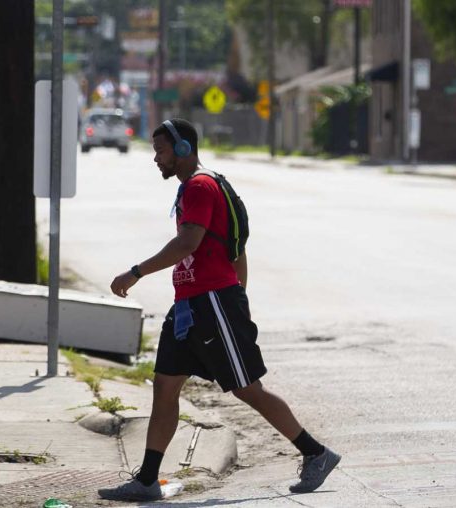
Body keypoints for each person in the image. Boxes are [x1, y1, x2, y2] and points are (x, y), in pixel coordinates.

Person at [97, 119, 340, 502]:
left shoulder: (201, 186)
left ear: (182, 149)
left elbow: (188, 244)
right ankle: (146, 480)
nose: (156, 159)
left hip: (212, 303)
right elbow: (234, 248)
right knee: (165, 386)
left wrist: (136, 272)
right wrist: (237, 293)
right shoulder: (198, 187)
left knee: (246, 388)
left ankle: (315, 453)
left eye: (161, 151)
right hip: (190, 306)